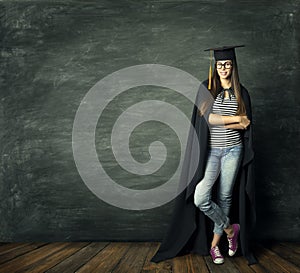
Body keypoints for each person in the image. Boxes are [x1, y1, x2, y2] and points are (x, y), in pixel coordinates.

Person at [151, 45, 257, 265]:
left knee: (225, 197)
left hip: (234, 151)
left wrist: (238, 121)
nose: (223, 68)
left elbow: (247, 125)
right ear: (215, 66)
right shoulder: (206, 88)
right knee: (201, 197)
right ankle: (230, 229)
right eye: (220, 64)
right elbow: (210, 119)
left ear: (233, 66)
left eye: (227, 64)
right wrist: (236, 120)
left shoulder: (241, 92)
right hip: (213, 152)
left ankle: (214, 247)